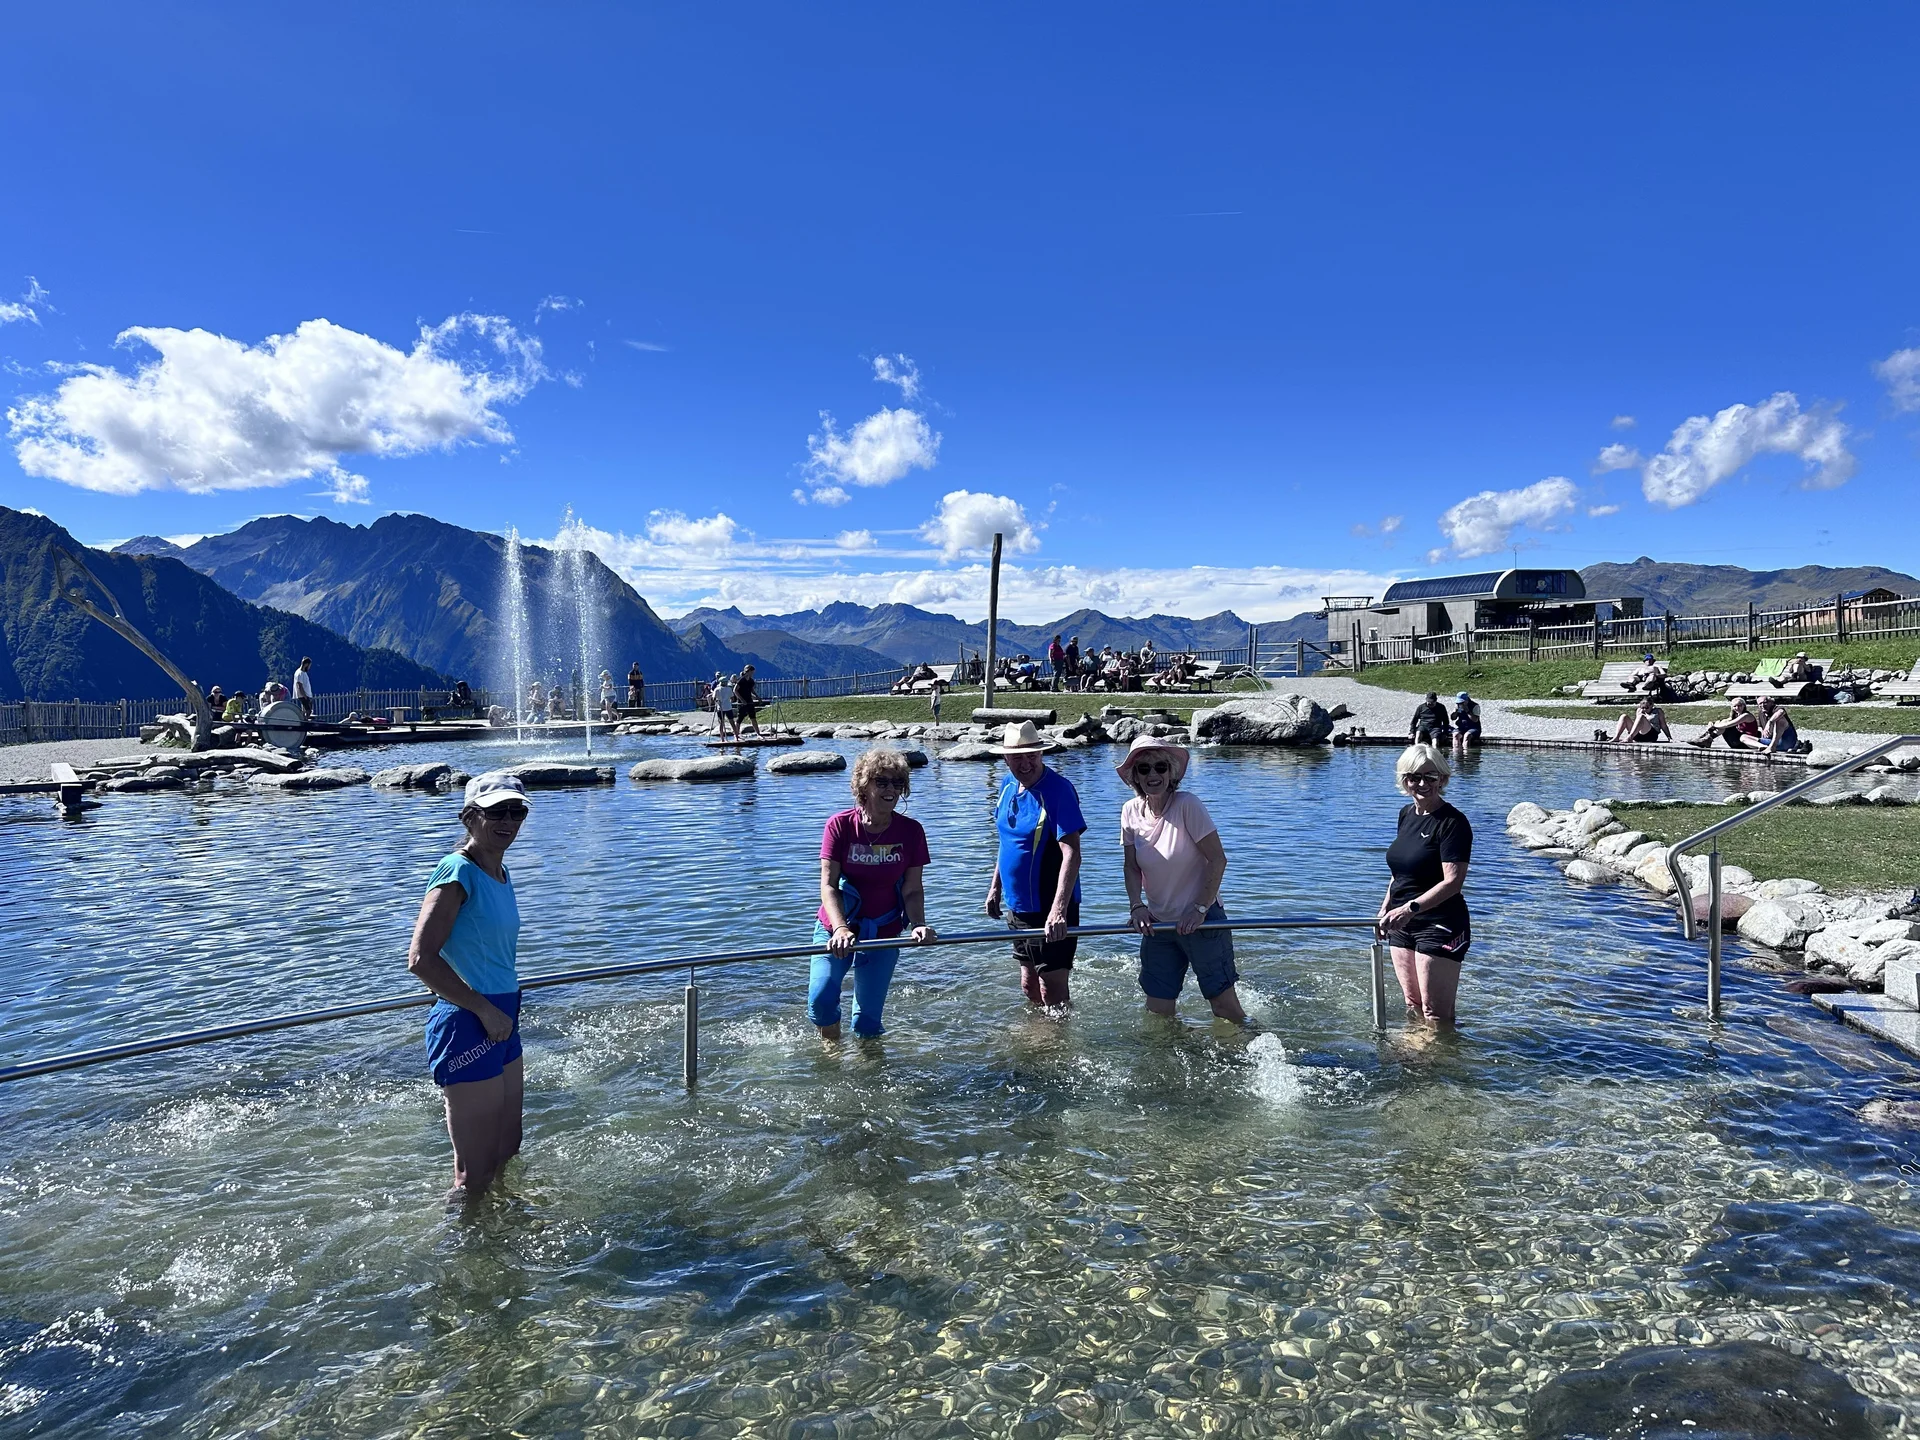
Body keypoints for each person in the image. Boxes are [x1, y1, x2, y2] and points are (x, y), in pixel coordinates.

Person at [407, 772, 532, 1204]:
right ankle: (459, 1253)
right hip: (469, 1021)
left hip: (501, 1016)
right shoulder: (457, 870)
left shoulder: (499, 870)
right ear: (469, 817)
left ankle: (498, 1227)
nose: (509, 820)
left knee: (506, 1148)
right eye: (497, 811)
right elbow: (421, 959)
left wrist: (501, 1012)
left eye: (517, 811)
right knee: (472, 1172)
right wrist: (484, 1010)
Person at [1117, 735, 1244, 1024]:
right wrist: (1136, 906)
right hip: (1159, 924)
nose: (1153, 775)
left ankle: (1258, 1054)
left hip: (1201, 919)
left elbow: (1218, 859)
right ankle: (1171, 1062)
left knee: (1224, 1008)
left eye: (1160, 767)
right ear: (1134, 775)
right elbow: (1131, 867)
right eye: (1145, 769)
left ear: (1171, 773)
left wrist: (1199, 908)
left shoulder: (1188, 805)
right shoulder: (1129, 812)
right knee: (1158, 1011)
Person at [812, 748, 934, 1039]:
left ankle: (869, 1071)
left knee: (866, 1022)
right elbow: (828, 885)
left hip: (883, 929)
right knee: (821, 1001)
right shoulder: (839, 826)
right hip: (836, 927)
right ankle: (832, 1052)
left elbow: (913, 888)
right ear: (863, 785)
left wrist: (918, 924)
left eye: (897, 783)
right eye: (881, 781)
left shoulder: (912, 831)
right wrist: (840, 929)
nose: (890, 789)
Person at [984, 721, 1087, 1008]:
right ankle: (1040, 1039)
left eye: (1032, 755)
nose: (1025, 763)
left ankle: (1059, 1045)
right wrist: (995, 888)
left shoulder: (1058, 791)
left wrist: (1059, 910)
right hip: (1017, 906)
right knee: (1029, 986)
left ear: (1042, 754)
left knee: (1052, 989)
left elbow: (1072, 854)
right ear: (1005, 758)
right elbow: (1008, 843)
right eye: (1017, 756)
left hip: (1050, 906)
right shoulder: (1007, 786)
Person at [1377, 745, 1472, 1026]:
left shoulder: (1453, 823)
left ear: (1442, 779)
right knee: (1413, 1005)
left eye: (1430, 777)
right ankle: (1417, 1064)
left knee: (1436, 1014)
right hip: (1401, 923)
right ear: (1403, 780)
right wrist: (1385, 908)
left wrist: (1410, 908)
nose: (1422, 784)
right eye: (1413, 777)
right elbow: (1401, 871)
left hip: (1439, 923)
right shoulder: (1406, 814)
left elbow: (1453, 882)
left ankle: (1441, 1066)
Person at [1685, 698, 1761, 749]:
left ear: (1744, 706)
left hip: (1746, 743)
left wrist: (1714, 726)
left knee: (1725, 725)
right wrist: (1712, 723)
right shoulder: (1735, 716)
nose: (1737, 708)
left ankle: (1706, 740)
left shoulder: (1746, 715)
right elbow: (1724, 721)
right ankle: (1706, 739)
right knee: (1722, 722)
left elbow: (1728, 725)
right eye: (1735, 706)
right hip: (1737, 741)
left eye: (1739, 705)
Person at [733, 665, 762, 736]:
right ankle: (736, 735)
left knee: (753, 717)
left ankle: (758, 734)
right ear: (748, 671)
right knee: (740, 719)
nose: (752, 674)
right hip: (742, 703)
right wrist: (742, 700)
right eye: (752, 672)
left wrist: (757, 697)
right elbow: (735, 690)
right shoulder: (741, 680)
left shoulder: (751, 681)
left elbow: (751, 690)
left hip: (749, 701)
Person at [712, 671, 736, 739]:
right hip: (728, 707)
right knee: (732, 722)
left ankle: (722, 738)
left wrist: (717, 700)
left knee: (721, 723)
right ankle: (736, 736)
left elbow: (714, 698)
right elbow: (732, 698)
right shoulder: (729, 689)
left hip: (720, 708)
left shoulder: (717, 689)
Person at [292, 657, 315, 721]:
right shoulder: (300, 673)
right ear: (306, 664)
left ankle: (303, 720)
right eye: (309, 665)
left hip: (306, 695)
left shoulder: (303, 673)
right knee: (308, 710)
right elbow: (299, 685)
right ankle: (304, 721)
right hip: (303, 695)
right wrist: (304, 696)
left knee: (305, 710)